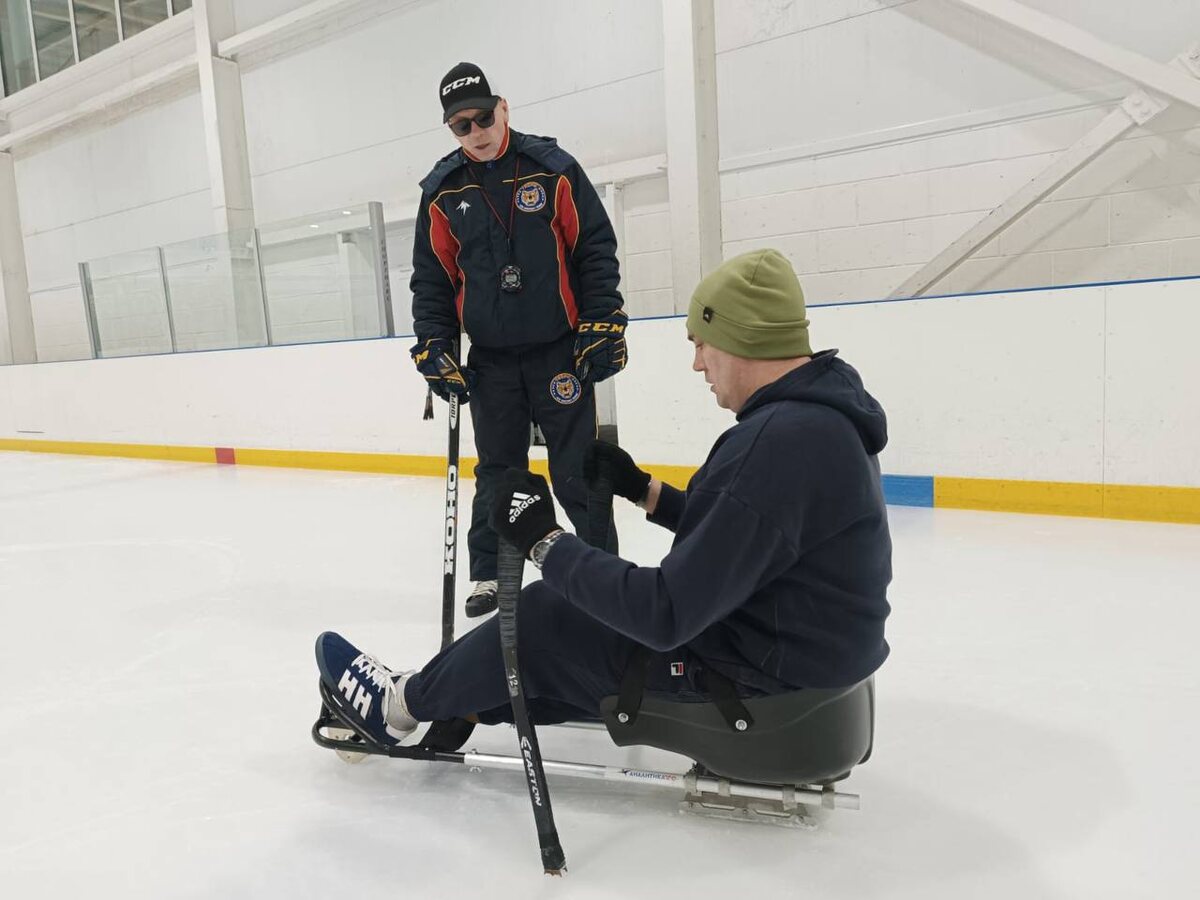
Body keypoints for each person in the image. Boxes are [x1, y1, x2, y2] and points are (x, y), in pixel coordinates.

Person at [318, 249, 891, 742]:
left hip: (760, 682)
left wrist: (545, 542)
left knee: (549, 611)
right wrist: (643, 489)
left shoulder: (775, 441)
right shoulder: (819, 419)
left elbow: (665, 614)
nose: (697, 364)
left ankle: (398, 707)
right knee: (584, 617)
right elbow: (747, 537)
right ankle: (463, 697)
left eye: (701, 343)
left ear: (740, 336)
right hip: (794, 658)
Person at [410, 62, 627, 618]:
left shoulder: (553, 171)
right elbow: (432, 280)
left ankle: (599, 572)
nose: (477, 130)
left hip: (560, 350)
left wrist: (602, 319)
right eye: (462, 125)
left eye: (484, 116)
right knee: (500, 474)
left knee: (578, 468)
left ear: (503, 108)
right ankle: (489, 573)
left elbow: (594, 249)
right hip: (491, 362)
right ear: (451, 130)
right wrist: (434, 345)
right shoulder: (441, 192)